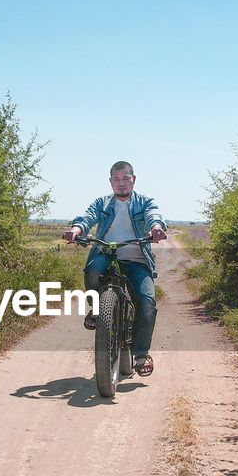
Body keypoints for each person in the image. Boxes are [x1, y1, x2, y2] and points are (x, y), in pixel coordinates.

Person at [62, 161, 167, 377]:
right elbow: (88, 217)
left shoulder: (144, 202)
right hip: (106, 253)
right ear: (110, 182)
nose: (121, 183)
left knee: (147, 302)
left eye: (125, 178)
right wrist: (76, 229)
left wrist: (156, 228)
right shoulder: (103, 202)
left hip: (137, 258)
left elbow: (154, 215)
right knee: (92, 271)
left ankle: (140, 354)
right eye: (116, 179)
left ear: (133, 179)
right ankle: (98, 308)